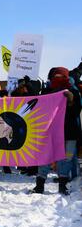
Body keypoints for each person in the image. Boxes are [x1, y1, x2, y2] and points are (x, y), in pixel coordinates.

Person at [31, 67, 81, 195]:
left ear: (66, 77)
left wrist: (71, 101)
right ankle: (40, 185)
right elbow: (39, 108)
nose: (58, 79)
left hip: (69, 132)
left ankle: (62, 185)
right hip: (50, 132)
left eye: (61, 76)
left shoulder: (74, 92)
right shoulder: (47, 91)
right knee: (45, 157)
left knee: (66, 159)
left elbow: (76, 112)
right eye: (56, 76)